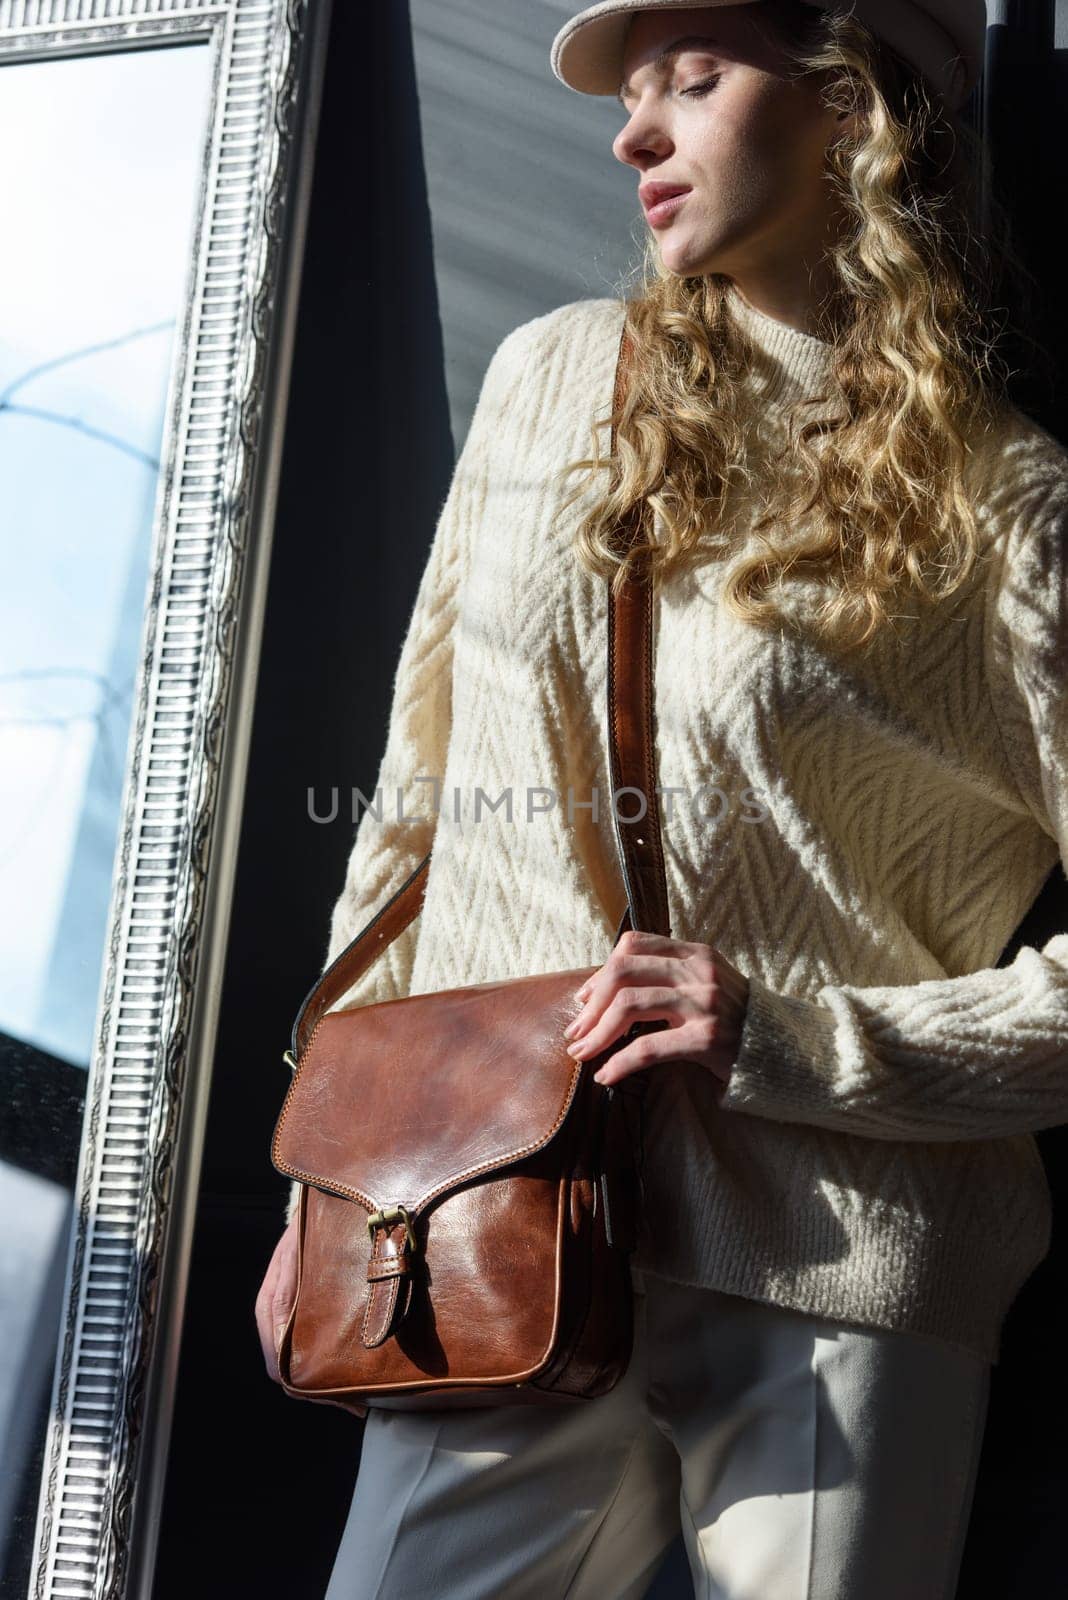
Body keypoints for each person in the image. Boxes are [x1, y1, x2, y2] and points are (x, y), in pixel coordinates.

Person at [255, 3, 1068, 1596]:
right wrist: (337, 1166)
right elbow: (423, 801)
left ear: (854, 104)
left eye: (696, 82)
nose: (636, 133)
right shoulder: (552, 382)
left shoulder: (1010, 510)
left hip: (845, 1260)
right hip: (494, 1211)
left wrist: (801, 1037)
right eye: (632, 98)